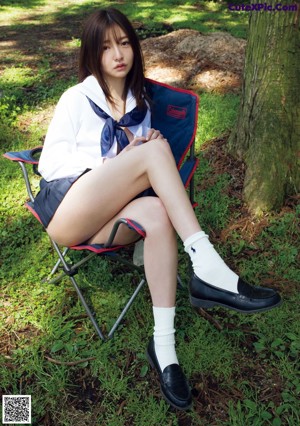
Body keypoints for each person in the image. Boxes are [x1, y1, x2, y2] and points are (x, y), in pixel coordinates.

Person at [34, 8, 281, 411]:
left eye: (125, 43)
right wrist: (119, 165)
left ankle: (163, 347)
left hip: (109, 217)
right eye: (106, 47)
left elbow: (131, 173)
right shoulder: (77, 98)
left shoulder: (138, 103)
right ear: (92, 55)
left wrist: (132, 157)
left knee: (160, 213)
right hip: (69, 212)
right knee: (154, 149)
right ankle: (207, 264)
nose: (118, 54)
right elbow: (52, 166)